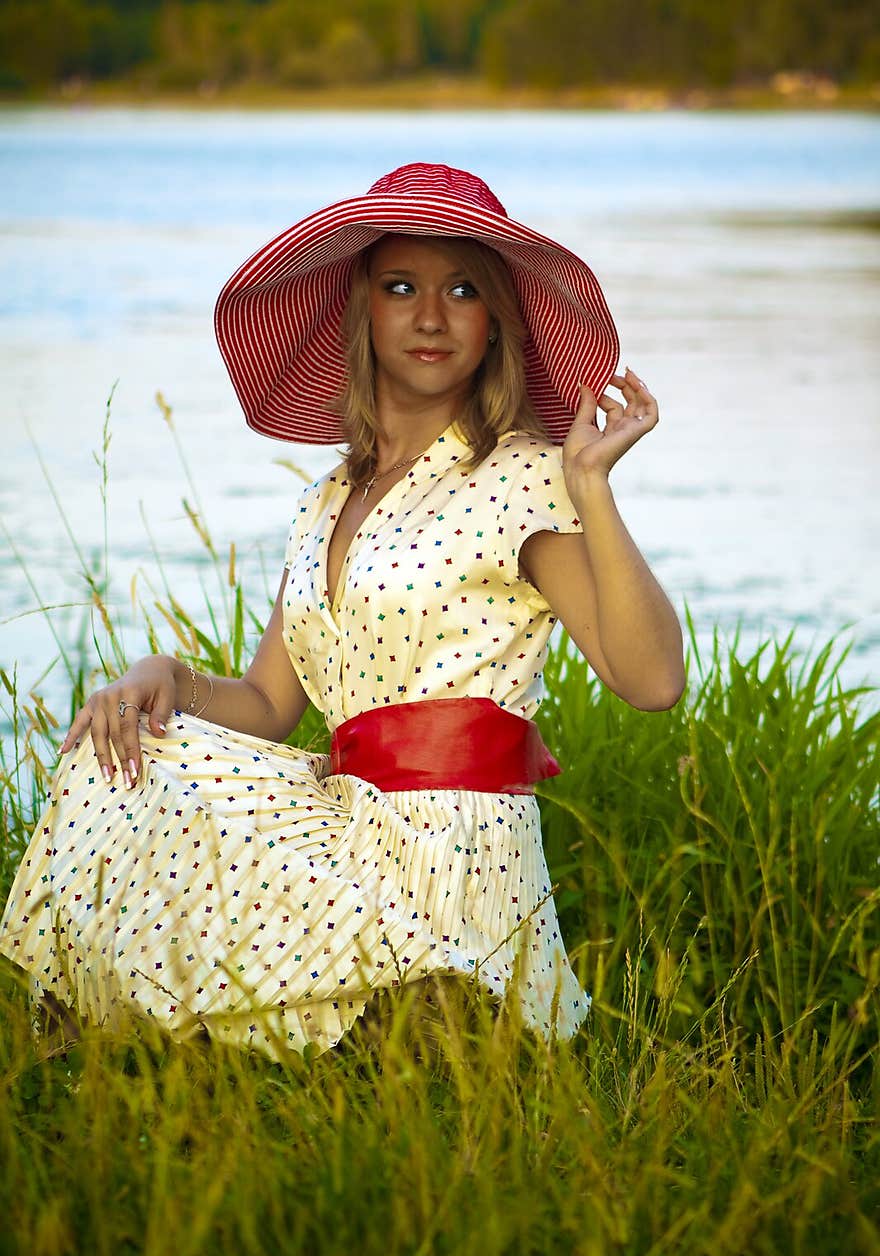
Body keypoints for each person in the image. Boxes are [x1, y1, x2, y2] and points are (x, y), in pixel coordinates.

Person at [0, 162, 685, 1060]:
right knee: (118, 757)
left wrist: (592, 484)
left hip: (453, 851)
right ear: (364, 309)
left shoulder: (524, 474)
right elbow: (269, 706)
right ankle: (77, 1053)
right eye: (401, 286)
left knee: (354, 1022)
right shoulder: (328, 498)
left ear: (493, 326)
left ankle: (437, 995)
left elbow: (653, 680)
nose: (430, 316)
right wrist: (161, 674)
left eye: (462, 290)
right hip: (341, 822)